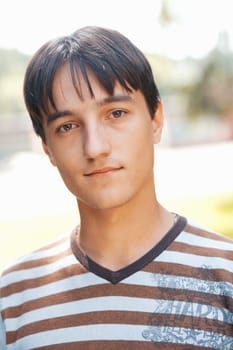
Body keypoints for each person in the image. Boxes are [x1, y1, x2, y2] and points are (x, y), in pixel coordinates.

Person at [0, 26, 232, 349]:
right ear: (47, 147)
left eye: (116, 113)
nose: (95, 147)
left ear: (156, 120)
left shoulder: (227, 279)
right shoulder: (12, 300)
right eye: (67, 127)